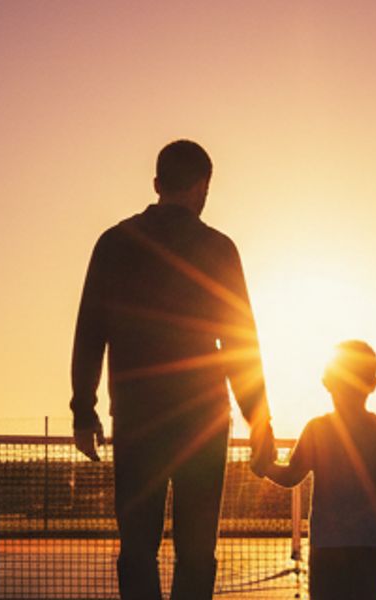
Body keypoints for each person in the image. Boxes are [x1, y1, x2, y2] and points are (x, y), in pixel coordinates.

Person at [70, 139, 275, 600]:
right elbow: (241, 343)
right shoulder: (219, 249)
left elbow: (89, 332)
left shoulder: (114, 243)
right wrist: (258, 418)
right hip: (201, 420)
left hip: (139, 418)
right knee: (197, 552)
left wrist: (84, 410)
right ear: (203, 187)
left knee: (138, 550)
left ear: (157, 184)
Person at [254, 340, 376, 600]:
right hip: (370, 547)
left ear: (327, 381)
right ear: (373, 384)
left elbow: (290, 476)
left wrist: (265, 467)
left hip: (328, 546)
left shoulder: (317, 429)